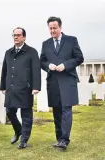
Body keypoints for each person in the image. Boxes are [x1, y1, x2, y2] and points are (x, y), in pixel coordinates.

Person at [40, 17, 84, 150]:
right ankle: (59, 138)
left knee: (66, 110)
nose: (52, 30)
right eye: (50, 28)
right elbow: (41, 61)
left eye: (55, 28)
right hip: (53, 82)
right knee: (57, 112)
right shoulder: (45, 43)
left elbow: (79, 58)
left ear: (60, 27)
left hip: (68, 80)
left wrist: (65, 65)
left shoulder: (71, 40)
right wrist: (49, 66)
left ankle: (64, 140)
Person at [0, 27, 41, 149]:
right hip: (11, 88)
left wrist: (36, 87)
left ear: (24, 37)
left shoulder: (32, 52)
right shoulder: (8, 52)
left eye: (18, 35)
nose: (16, 37)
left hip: (25, 88)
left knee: (26, 116)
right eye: (14, 35)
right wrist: (3, 86)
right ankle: (18, 131)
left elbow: (36, 71)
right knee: (10, 112)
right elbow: (4, 70)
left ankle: (24, 140)